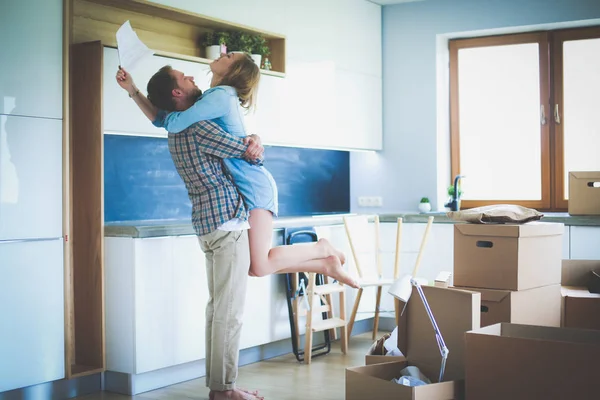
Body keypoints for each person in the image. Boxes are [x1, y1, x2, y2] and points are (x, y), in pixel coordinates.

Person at [116, 53, 359, 289]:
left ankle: (321, 250)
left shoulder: (222, 95)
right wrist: (133, 90)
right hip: (245, 185)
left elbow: (173, 122)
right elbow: (163, 118)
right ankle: (325, 264)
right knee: (254, 267)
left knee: (260, 266)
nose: (223, 53)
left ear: (232, 71)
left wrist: (253, 141)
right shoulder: (209, 99)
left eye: (229, 56)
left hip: (253, 185)